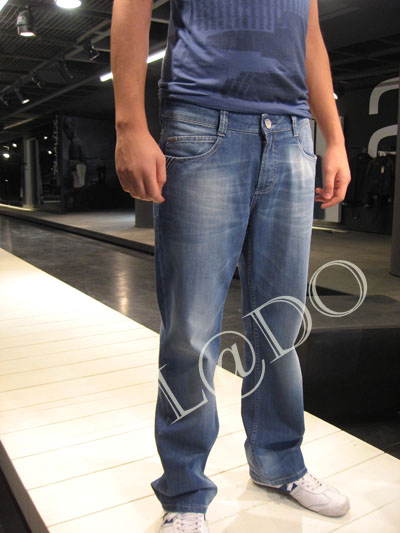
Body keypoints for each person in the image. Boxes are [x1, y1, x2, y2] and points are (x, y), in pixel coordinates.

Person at [111, 0, 352, 531]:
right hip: (202, 120)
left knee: (280, 323)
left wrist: (333, 137)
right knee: (191, 330)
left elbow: (310, 35)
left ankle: (278, 461)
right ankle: (185, 490)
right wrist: (129, 123)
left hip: (292, 132)